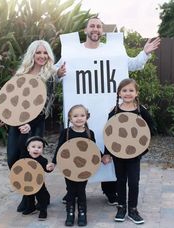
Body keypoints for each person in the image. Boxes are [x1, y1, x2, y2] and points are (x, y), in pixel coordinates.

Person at [71, 15, 160, 206]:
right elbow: (57, 69)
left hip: (113, 110)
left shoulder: (113, 51)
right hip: (84, 110)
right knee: (81, 145)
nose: (95, 29)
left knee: (112, 144)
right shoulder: (73, 52)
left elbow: (133, 64)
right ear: (85, 30)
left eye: (98, 26)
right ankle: (75, 190)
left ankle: (110, 190)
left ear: (102, 31)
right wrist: (58, 73)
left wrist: (144, 53)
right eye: (91, 26)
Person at [6, 40, 66, 213]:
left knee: (30, 160)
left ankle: (29, 200)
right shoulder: (20, 74)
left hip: (36, 122)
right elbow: (10, 100)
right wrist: (18, 122)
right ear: (32, 54)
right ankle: (43, 194)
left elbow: (43, 103)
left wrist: (59, 74)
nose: (42, 56)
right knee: (13, 160)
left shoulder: (51, 74)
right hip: (17, 122)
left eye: (45, 53)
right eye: (38, 53)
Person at [103, 78, 155, 224]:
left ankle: (133, 209)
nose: (127, 93)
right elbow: (109, 135)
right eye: (124, 90)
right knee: (120, 180)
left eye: (131, 90)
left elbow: (151, 127)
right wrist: (107, 153)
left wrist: (143, 145)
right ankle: (121, 207)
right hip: (118, 154)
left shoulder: (141, 110)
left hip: (135, 154)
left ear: (136, 93)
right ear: (119, 93)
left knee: (133, 181)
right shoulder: (114, 111)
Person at [47, 104, 96, 226]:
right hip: (68, 168)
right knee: (70, 190)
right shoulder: (66, 132)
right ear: (70, 118)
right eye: (75, 116)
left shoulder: (90, 133)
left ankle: (82, 213)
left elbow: (94, 151)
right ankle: (70, 213)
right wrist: (53, 162)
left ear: (87, 117)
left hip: (84, 169)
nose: (79, 118)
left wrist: (103, 157)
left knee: (81, 190)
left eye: (82, 115)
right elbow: (59, 149)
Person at [20, 136, 51, 220]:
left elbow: (46, 169)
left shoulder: (43, 160)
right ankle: (31, 207)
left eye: (39, 147)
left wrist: (49, 168)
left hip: (39, 182)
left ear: (42, 150)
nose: (36, 149)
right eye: (33, 147)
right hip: (28, 181)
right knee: (28, 195)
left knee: (41, 196)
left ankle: (43, 210)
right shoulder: (24, 157)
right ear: (28, 149)